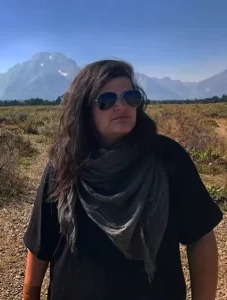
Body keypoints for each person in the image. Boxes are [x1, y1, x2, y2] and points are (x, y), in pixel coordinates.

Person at [22, 59, 223, 300]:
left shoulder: (167, 158)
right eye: (106, 101)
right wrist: (29, 293)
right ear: (84, 110)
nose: (121, 106)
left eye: (130, 97)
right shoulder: (64, 163)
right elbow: (41, 242)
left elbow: (200, 238)